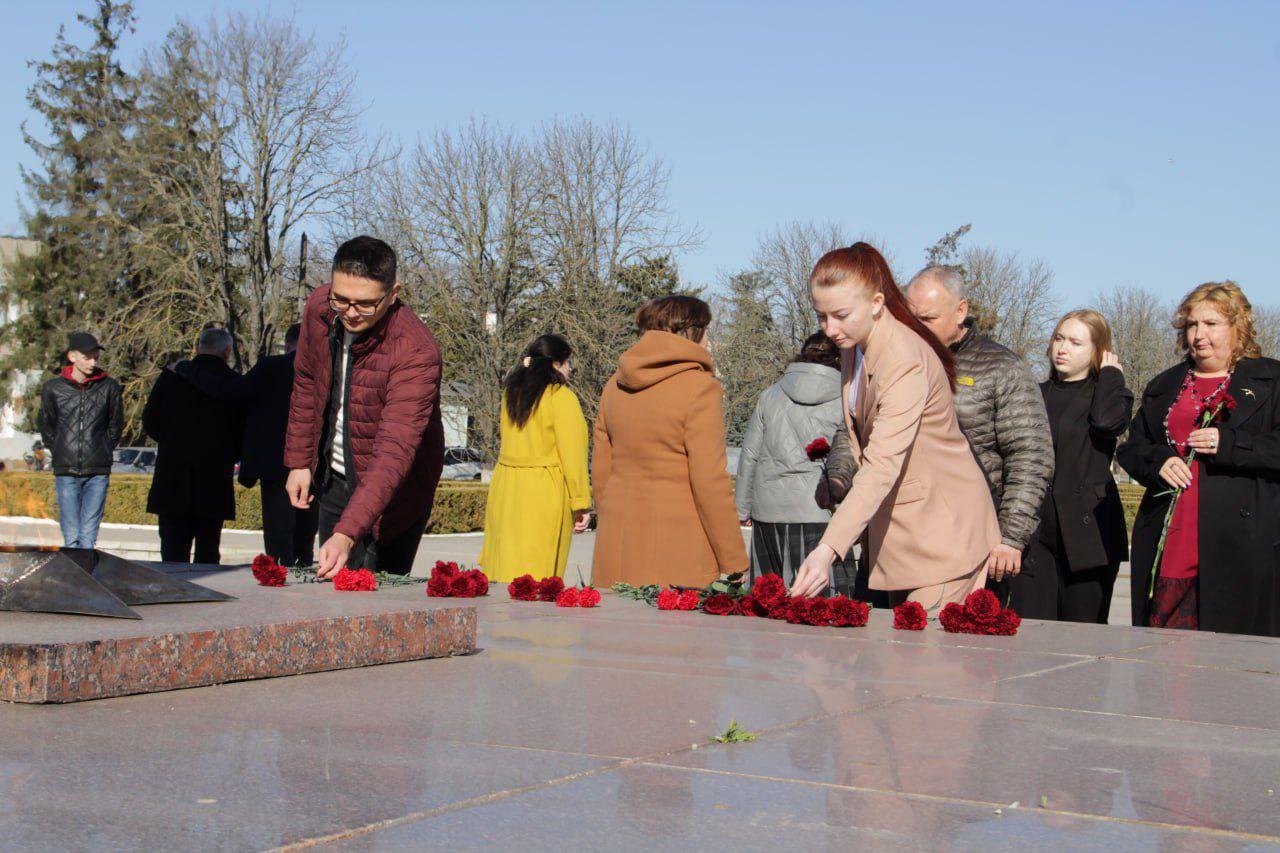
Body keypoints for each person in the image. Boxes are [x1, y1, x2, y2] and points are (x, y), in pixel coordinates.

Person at [790, 244, 1001, 611]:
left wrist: (827, 549)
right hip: (899, 538)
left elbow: (882, 464)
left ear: (875, 303)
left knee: (927, 664)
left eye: (840, 314)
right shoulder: (853, 347)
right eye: (821, 316)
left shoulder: (904, 360)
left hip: (943, 537)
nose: (830, 329)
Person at [1118, 281, 1280, 636]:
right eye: (1192, 325)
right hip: (1169, 537)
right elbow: (1131, 448)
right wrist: (1158, 461)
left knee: (1232, 661)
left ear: (1238, 329)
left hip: (1241, 542)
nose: (1199, 334)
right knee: (1165, 654)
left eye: (1211, 324)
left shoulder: (1271, 380)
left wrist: (1231, 444)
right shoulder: (1166, 385)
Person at [284, 236, 445, 577]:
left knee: (378, 602)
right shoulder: (319, 308)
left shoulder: (416, 350)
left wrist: (347, 534)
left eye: (365, 304)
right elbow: (306, 380)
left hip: (396, 494)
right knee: (333, 591)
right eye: (341, 300)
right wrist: (299, 461)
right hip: (334, 477)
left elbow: (394, 452)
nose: (350, 313)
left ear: (394, 292)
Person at [902, 265, 1054, 587]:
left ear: (961, 311)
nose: (916, 328)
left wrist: (1011, 536)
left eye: (927, 319)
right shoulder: (899, 363)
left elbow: (1031, 455)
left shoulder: (1002, 369)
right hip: (905, 534)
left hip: (974, 538)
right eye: (911, 318)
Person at [591, 295, 747, 588]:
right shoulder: (701, 388)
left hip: (617, 544)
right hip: (679, 547)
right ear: (694, 332)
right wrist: (734, 559)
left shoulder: (614, 386)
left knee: (615, 632)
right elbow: (709, 480)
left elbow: (601, 472)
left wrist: (609, 520)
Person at [1022, 310, 1133, 622]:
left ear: (1098, 351)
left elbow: (1107, 422)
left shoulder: (1111, 394)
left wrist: (1111, 375)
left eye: (1075, 342)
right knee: (1030, 632)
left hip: (1089, 537)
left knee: (1083, 637)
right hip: (1036, 532)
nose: (1063, 348)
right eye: (1059, 338)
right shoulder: (1034, 394)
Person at [735, 333, 850, 590]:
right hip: (820, 510)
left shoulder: (770, 395)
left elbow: (750, 455)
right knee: (822, 605)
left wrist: (742, 510)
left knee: (769, 601)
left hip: (768, 511)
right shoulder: (846, 398)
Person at [479, 334, 591, 582]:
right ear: (555, 364)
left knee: (503, 567)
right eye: (567, 362)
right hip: (543, 490)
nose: (570, 368)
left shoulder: (511, 394)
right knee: (537, 573)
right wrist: (581, 502)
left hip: (506, 489)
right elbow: (573, 455)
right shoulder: (561, 398)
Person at [143, 328, 248, 564]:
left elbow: (150, 421)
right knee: (208, 550)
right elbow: (242, 433)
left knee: (172, 550)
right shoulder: (234, 384)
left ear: (198, 348)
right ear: (227, 351)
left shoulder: (172, 378)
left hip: (173, 474)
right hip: (214, 477)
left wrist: (173, 443)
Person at [239, 324, 318, 567]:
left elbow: (239, 398)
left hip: (274, 463)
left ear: (288, 344)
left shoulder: (269, 367)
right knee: (305, 534)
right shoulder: (322, 371)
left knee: (277, 534)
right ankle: (302, 567)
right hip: (311, 463)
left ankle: (276, 573)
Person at [37, 332, 124, 549]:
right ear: (72, 356)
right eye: (87, 357)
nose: (93, 361)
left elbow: (115, 424)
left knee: (87, 537)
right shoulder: (53, 388)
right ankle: (74, 579)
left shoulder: (109, 387)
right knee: (72, 536)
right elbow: (46, 424)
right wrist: (59, 449)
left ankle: (86, 578)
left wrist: (104, 448)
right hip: (66, 470)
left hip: (98, 471)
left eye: (95, 357)